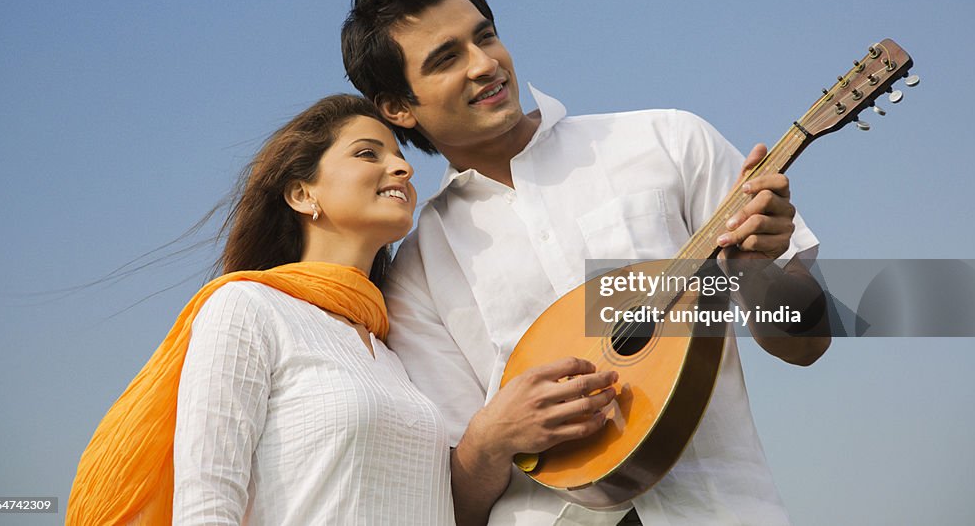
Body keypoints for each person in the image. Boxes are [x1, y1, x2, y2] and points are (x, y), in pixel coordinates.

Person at [341, 0, 831, 525]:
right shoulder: (418, 269)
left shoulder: (668, 142)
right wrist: (491, 437)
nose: (484, 64)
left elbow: (805, 342)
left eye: (486, 36)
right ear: (398, 107)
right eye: (447, 58)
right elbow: (449, 502)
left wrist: (756, 263)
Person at [70, 94, 588, 525]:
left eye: (398, 155)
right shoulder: (248, 308)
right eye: (368, 153)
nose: (403, 166)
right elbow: (207, 504)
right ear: (301, 193)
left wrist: (494, 441)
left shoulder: (395, 349)